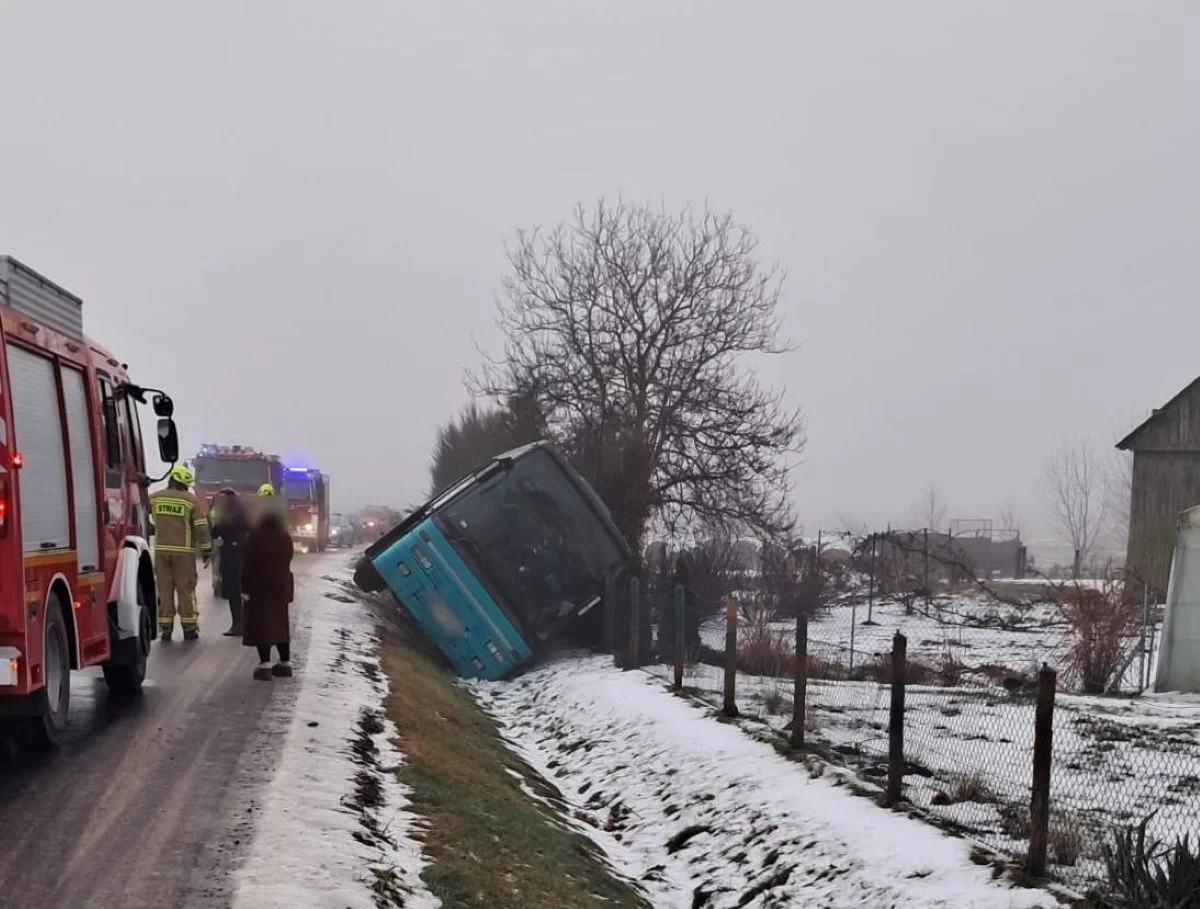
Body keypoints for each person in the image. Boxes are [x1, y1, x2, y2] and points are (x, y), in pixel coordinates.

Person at [149, 464, 212, 641]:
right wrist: (206, 549)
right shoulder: (190, 500)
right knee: (186, 589)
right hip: (184, 552)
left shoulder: (155, 497)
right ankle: (189, 627)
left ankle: (166, 627)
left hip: (161, 550)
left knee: (164, 589)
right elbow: (201, 527)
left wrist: (152, 528)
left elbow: (138, 513)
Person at [241, 508, 294, 680]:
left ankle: (264, 665)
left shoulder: (256, 537)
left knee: (262, 626)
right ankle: (285, 663)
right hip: (281, 586)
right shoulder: (285, 537)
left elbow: (248, 563)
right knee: (280, 623)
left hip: (260, 587)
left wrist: (245, 588)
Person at [210, 490, 249, 636]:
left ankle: (237, 625)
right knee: (243, 591)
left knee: (234, 592)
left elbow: (214, 532)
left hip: (230, 557)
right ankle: (244, 624)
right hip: (242, 554)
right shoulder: (243, 514)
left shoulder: (226, 516)